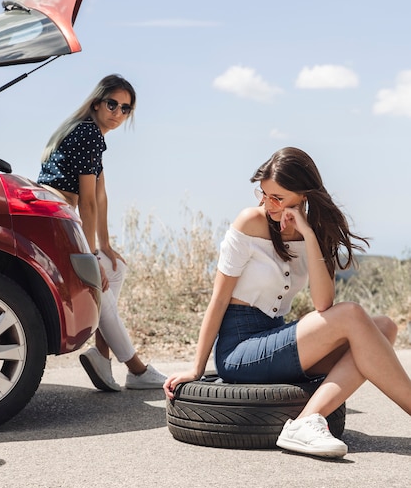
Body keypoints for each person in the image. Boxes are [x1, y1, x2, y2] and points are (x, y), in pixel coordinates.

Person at [164, 147, 411, 458]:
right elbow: (219, 298)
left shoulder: (313, 231)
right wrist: (196, 369)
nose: (268, 204)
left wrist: (307, 233)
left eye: (277, 198)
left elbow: (322, 303)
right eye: (265, 194)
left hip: (276, 340)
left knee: (384, 327)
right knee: (351, 315)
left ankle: (307, 420)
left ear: (303, 195)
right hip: (240, 349)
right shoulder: (250, 221)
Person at [38, 74, 166, 391]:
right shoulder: (88, 133)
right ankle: (136, 369)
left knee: (115, 267)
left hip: (58, 216)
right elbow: (89, 203)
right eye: (113, 104)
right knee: (99, 279)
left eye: (126, 109)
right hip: (58, 217)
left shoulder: (89, 134)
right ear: (97, 103)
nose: (118, 113)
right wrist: (91, 255)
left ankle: (102, 353)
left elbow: (101, 195)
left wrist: (105, 246)